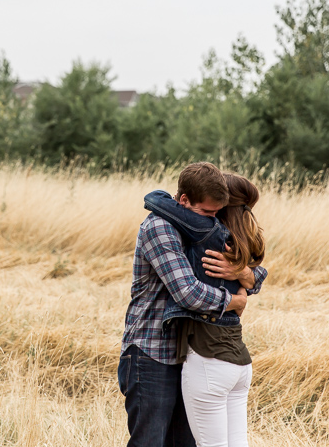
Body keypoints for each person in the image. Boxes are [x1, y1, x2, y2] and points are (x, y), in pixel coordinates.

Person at [119, 162, 267, 447]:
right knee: (150, 443)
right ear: (184, 200)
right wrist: (232, 301)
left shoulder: (199, 229)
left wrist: (242, 273)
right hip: (152, 353)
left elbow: (253, 273)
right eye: (208, 214)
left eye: (217, 215)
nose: (213, 221)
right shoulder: (159, 227)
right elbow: (187, 292)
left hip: (191, 354)